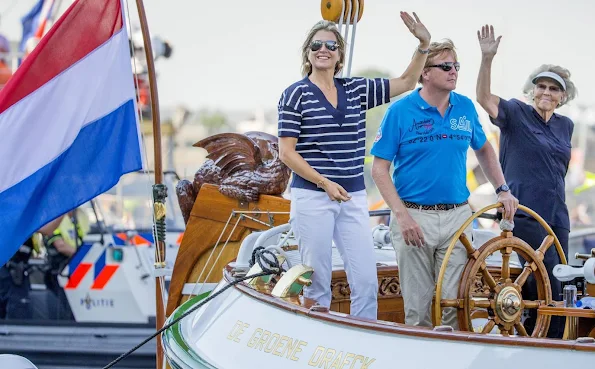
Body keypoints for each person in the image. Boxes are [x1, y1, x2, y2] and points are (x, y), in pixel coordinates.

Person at [277, 12, 431, 320]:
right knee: (316, 283)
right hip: (313, 197)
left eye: (331, 46)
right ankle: (316, 345)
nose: (324, 50)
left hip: (353, 197)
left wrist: (423, 45)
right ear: (308, 53)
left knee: (365, 280)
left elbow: (406, 82)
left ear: (339, 55)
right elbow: (286, 153)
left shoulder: (356, 89)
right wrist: (324, 183)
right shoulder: (295, 94)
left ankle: (364, 345)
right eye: (317, 45)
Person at [370, 39, 519, 329]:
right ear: (425, 73)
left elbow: (485, 149)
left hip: (458, 219)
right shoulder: (400, 112)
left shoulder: (464, 107)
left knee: (453, 305)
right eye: (446, 66)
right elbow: (379, 170)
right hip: (413, 218)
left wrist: (503, 190)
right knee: (418, 310)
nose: (454, 72)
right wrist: (401, 216)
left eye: (456, 66)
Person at [475, 25, 578, 338]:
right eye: (541, 86)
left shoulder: (566, 125)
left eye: (553, 89)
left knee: (560, 279)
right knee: (540, 278)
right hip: (523, 213)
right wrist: (487, 58)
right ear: (532, 90)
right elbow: (483, 97)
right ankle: (533, 339)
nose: (546, 92)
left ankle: (556, 342)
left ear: (563, 96)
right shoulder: (516, 113)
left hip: (557, 215)